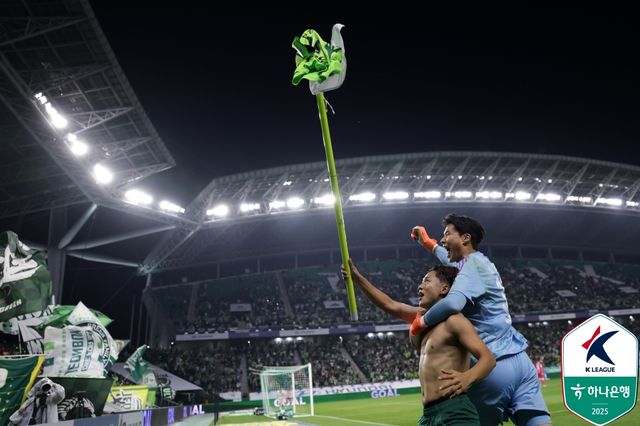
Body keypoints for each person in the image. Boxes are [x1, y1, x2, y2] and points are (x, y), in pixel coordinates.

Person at [410, 213, 551, 426]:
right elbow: (447, 258)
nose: (443, 240)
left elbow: (452, 303)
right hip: (521, 362)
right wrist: (428, 243)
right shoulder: (480, 262)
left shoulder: (470, 267)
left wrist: (421, 323)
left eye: (447, 234)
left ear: (465, 238)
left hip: (491, 368)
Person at [342, 261, 496, 425]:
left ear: (444, 289)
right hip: (428, 415)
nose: (420, 286)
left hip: (454, 411)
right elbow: (389, 304)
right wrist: (358, 279)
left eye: (427, 281)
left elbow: (488, 359)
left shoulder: (454, 321)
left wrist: (467, 378)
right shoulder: (423, 318)